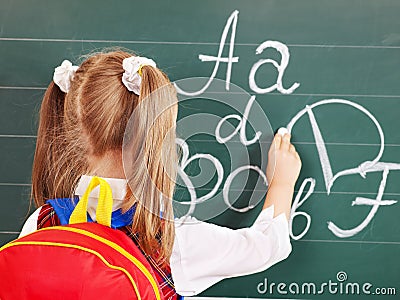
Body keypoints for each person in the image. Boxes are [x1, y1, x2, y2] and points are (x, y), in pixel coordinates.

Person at [19, 49, 302, 299]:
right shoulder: (170, 242)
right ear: (155, 138)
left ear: (71, 136)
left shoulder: (43, 223)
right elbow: (267, 246)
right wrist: (283, 182)